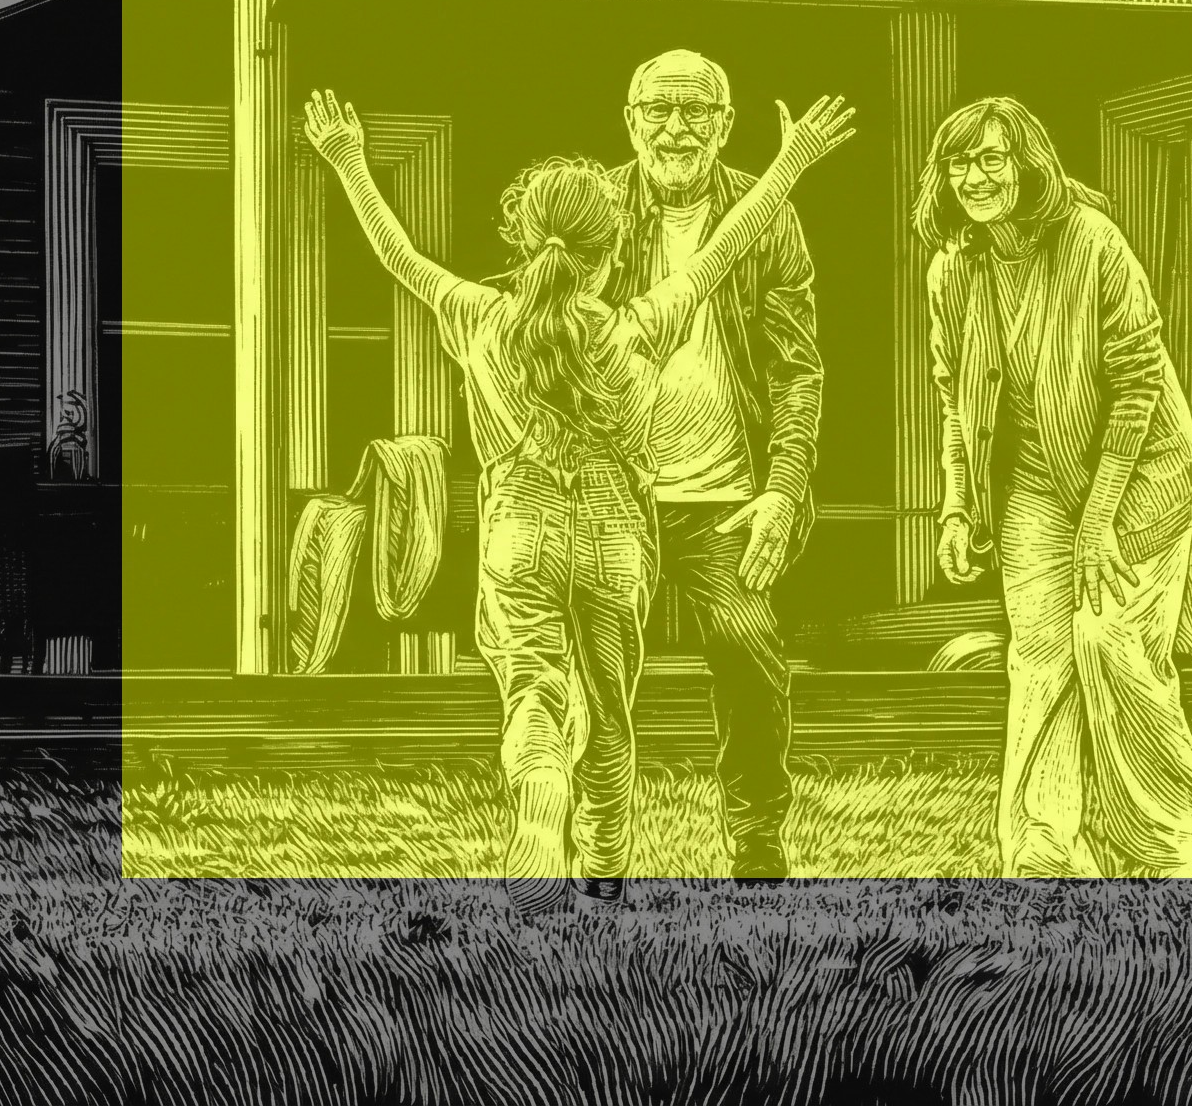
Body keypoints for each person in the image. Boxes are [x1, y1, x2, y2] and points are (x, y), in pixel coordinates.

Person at [304, 87, 856, 912]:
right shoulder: (638, 326)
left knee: (534, 687)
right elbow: (732, 242)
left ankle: (538, 790)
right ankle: (600, 872)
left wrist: (348, 158)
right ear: (607, 254)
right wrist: (794, 160)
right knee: (609, 714)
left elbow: (398, 255)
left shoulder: (481, 317)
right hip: (613, 538)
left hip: (519, 532)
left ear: (526, 244)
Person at [915, 96, 1192, 878]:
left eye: (991, 159)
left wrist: (1100, 517)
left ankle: (1164, 850)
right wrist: (955, 505)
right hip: (1038, 481)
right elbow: (954, 397)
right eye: (958, 163)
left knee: (1113, 644)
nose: (973, 176)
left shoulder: (1091, 241)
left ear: (1027, 163)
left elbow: (1140, 383)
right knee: (1039, 658)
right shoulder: (951, 269)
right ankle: (1045, 856)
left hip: (1141, 469)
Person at [596, 49, 821, 882]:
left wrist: (782, 489)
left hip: (723, 496)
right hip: (611, 495)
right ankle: (597, 853)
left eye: (696, 111)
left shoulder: (769, 217)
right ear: (630, 119)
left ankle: (758, 848)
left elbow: (799, 368)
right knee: (595, 664)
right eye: (658, 109)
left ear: (726, 125)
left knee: (750, 646)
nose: (676, 128)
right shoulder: (596, 208)